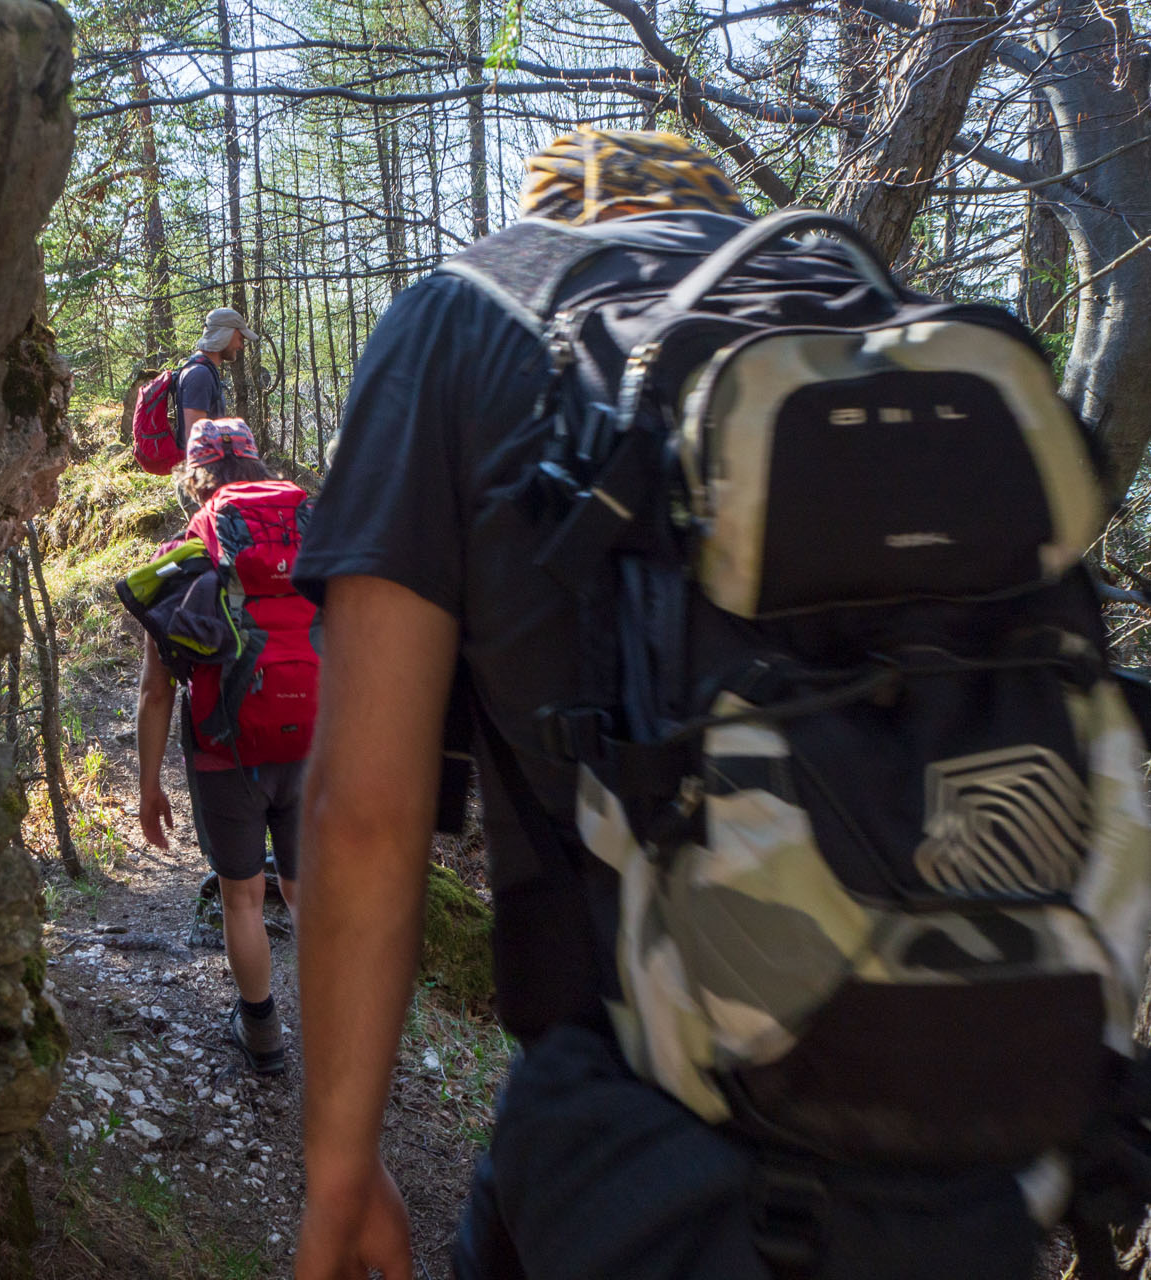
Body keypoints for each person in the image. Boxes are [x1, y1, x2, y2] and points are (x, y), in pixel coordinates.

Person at [290, 128, 1056, 1280]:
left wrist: (338, 1166)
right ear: (715, 208)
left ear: (551, 213)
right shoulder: (886, 321)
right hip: (981, 1135)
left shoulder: (464, 318)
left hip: (647, 1146)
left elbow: (363, 808)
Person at [136, 417, 316, 1075]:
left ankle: (262, 1036)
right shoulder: (309, 525)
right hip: (315, 744)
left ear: (194, 474)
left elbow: (157, 692)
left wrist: (148, 784)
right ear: (257, 463)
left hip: (225, 751)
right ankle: (335, 1027)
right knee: (307, 892)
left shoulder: (187, 546)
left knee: (242, 896)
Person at [176, 307, 259, 446]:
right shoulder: (199, 375)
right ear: (225, 334)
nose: (241, 346)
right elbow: (195, 442)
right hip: (201, 467)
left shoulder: (204, 371)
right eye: (239, 338)